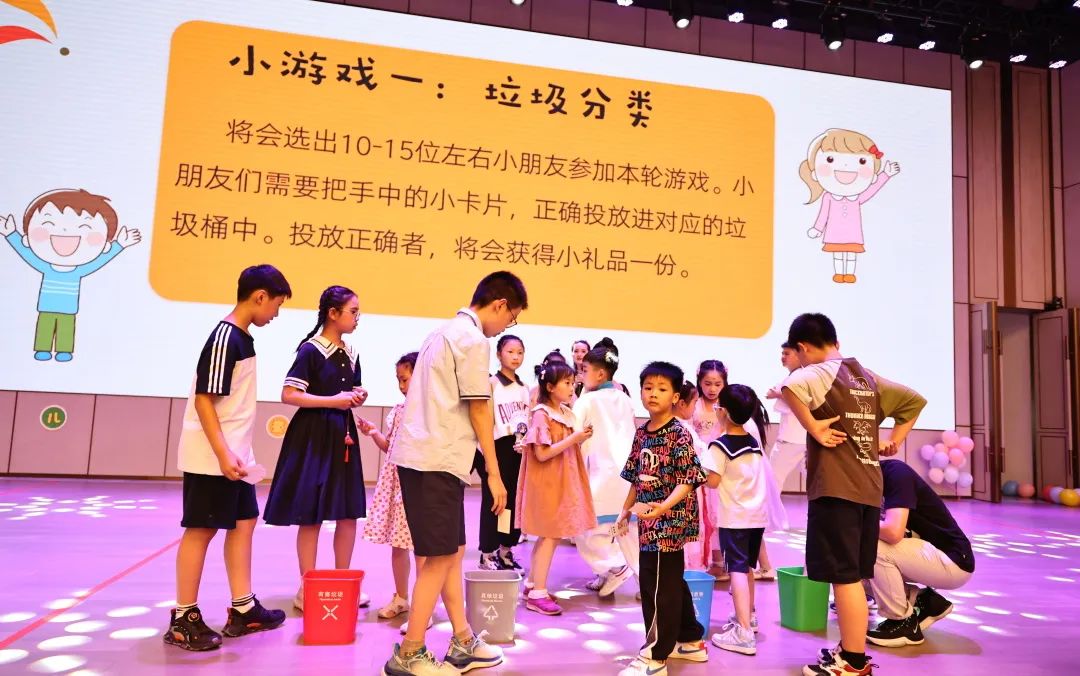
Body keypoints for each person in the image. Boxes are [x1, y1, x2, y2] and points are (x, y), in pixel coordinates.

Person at [382, 271, 527, 676]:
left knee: (452, 552)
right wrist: (494, 473)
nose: (508, 326)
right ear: (500, 305)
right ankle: (409, 653)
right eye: (512, 317)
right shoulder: (473, 339)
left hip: (429, 458)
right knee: (440, 557)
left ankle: (463, 641)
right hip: (436, 460)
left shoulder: (442, 332)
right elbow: (479, 407)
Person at [781, 313, 927, 676]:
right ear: (836, 341)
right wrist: (894, 440)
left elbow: (790, 387)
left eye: (795, 353)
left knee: (844, 578)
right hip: (868, 488)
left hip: (837, 488)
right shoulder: (866, 376)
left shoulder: (820, 371)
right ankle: (850, 650)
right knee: (853, 577)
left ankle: (854, 662)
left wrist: (814, 427)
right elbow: (914, 402)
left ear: (803, 348)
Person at [164, 264, 290, 651]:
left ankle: (243, 608)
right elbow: (205, 399)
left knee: (244, 522)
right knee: (200, 530)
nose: (276, 314)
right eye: (277, 305)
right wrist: (222, 453)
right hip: (212, 457)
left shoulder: (242, 339)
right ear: (259, 297)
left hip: (235, 456)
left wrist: (237, 453)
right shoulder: (225, 337)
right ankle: (183, 619)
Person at [264, 286, 368, 611]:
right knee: (311, 515)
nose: (358, 318)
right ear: (333, 313)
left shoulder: (351, 352)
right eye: (353, 311)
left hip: (342, 437)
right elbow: (289, 394)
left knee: (347, 513)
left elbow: (349, 390)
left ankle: (344, 583)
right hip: (312, 437)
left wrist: (357, 396)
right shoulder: (311, 350)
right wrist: (333, 401)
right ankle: (307, 587)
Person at [615, 362, 709, 676]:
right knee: (669, 581)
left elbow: (689, 480)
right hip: (648, 519)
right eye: (648, 387)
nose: (653, 394)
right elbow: (636, 476)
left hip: (669, 523)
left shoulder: (679, 434)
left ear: (676, 397)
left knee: (657, 587)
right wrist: (625, 510)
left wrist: (662, 508)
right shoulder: (642, 432)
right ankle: (690, 640)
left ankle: (654, 657)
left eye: (662, 388)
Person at [701, 385, 786, 657]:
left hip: (735, 519)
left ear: (723, 412)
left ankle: (744, 633)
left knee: (736, 570)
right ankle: (748, 617)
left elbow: (712, 482)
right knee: (747, 567)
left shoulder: (720, 446)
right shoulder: (753, 442)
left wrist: (698, 470)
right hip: (756, 517)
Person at [865, 459, 974, 647]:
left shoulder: (895, 473)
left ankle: (902, 623)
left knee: (872, 548)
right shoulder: (864, 484)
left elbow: (893, 532)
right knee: (854, 568)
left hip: (952, 560)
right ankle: (924, 601)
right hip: (925, 552)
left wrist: (854, 521)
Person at [517, 360, 597, 615]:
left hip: (560, 479)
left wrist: (578, 438)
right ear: (550, 387)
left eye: (573, 383)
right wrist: (575, 438)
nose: (572, 387)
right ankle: (537, 593)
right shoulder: (542, 414)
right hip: (548, 482)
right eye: (567, 383)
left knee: (549, 534)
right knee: (550, 534)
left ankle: (533, 585)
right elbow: (542, 454)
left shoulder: (563, 412)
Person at [360, 352, 424, 622]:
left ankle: (423, 604)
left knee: (422, 548)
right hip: (396, 483)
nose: (401, 385)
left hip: (418, 483)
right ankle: (401, 597)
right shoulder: (398, 410)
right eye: (398, 379)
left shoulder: (429, 411)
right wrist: (374, 433)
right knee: (398, 545)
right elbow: (390, 447)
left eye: (405, 379)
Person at [573, 338, 639, 597]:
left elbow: (574, 433)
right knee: (627, 532)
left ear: (600, 374)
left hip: (599, 475)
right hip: (628, 476)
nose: (581, 375)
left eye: (585, 370)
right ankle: (641, 582)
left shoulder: (587, 400)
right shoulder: (625, 398)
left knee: (587, 531)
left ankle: (615, 568)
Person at [475, 335, 530, 571]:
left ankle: (505, 550)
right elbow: (484, 420)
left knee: (511, 503)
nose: (515, 357)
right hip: (496, 448)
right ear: (499, 354)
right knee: (493, 501)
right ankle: (487, 553)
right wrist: (487, 458)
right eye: (510, 352)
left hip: (518, 449)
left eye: (520, 352)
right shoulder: (491, 384)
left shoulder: (525, 388)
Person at [754, 341, 807, 581]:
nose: (783, 357)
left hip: (794, 439)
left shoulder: (802, 377)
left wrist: (780, 392)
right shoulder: (796, 376)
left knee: (768, 487)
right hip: (795, 438)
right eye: (782, 353)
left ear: (799, 353)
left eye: (787, 353)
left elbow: (795, 399)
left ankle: (759, 527)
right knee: (770, 487)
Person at [690, 360, 728, 577]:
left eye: (717, 384)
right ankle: (710, 559)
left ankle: (721, 561)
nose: (712, 389)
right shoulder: (694, 404)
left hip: (720, 461)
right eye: (707, 383)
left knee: (719, 513)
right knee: (705, 514)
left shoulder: (726, 405)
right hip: (700, 463)